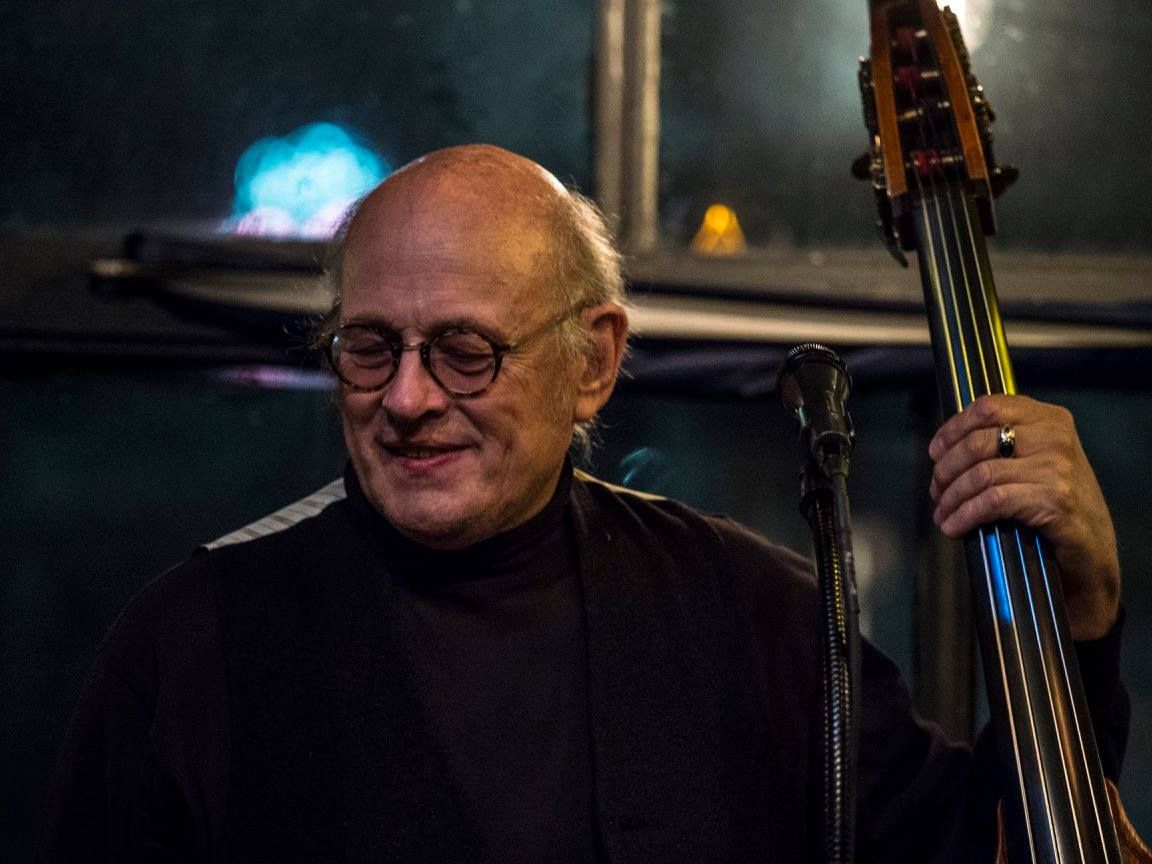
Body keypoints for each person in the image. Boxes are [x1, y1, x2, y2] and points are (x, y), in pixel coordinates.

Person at [36, 145, 1127, 862]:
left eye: (465, 350)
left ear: (593, 361)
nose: (406, 399)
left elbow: (987, 845)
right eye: (368, 348)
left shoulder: (749, 611)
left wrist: (1080, 613)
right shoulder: (193, 641)